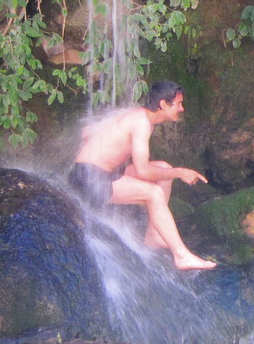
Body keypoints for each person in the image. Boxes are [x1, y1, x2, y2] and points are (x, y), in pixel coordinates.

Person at [68, 80, 217, 270]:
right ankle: (182, 255)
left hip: (96, 172)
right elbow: (143, 171)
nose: (182, 108)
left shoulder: (137, 116)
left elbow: (86, 132)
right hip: (89, 179)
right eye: (178, 104)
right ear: (163, 104)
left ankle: (154, 235)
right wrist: (180, 172)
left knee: (163, 168)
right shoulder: (141, 122)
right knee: (153, 192)